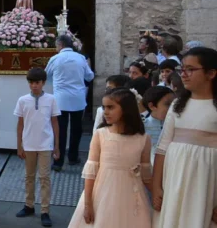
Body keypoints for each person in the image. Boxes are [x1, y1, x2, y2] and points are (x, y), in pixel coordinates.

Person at [152, 47, 217, 228]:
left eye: (190, 69)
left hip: (206, 183)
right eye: (182, 70)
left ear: (211, 73)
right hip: (174, 181)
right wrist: (156, 186)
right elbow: (162, 148)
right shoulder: (177, 105)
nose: (184, 75)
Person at [68, 89, 152, 228]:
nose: (105, 112)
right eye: (104, 107)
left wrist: (157, 194)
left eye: (111, 107)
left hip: (131, 196)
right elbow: (91, 172)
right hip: (102, 195)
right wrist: (88, 204)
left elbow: (146, 175)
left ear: (126, 109)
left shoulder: (143, 139)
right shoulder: (100, 135)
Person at [14, 68, 60, 227]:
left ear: (43, 83)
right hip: (28, 144)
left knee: (45, 177)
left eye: (37, 82)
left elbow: (55, 123)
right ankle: (29, 205)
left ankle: (45, 210)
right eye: (32, 82)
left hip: (46, 144)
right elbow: (20, 125)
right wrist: (19, 145)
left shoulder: (51, 99)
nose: (34, 86)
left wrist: (57, 146)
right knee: (29, 176)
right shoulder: (22, 100)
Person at [46, 34, 94, 171]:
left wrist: (56, 82)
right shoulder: (80, 58)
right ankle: (73, 157)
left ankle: (58, 161)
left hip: (60, 99)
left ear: (60, 45)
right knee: (76, 129)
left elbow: (47, 74)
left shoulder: (55, 58)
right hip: (78, 99)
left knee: (60, 130)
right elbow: (90, 76)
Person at [141, 86, 174, 162]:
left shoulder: (177, 126)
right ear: (152, 106)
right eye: (168, 104)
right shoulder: (142, 126)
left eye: (174, 104)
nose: (172, 108)